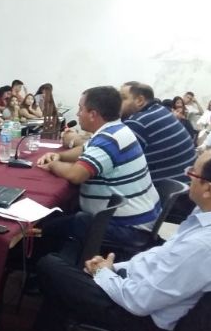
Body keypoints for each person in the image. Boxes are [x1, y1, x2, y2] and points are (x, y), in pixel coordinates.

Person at [25, 145, 211, 331]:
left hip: (143, 319)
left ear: (209, 189)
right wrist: (116, 268)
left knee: (50, 266)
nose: (187, 175)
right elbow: (159, 257)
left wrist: (103, 274)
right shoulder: (207, 221)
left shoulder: (205, 247)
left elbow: (139, 301)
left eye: (193, 173)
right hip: (142, 291)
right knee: (63, 282)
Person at [36, 86, 160, 260]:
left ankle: (42, 272)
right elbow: (84, 150)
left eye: (81, 109)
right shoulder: (116, 130)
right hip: (139, 218)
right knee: (63, 217)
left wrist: (54, 165)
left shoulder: (109, 140)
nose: (78, 114)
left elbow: (76, 175)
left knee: (46, 227)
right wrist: (59, 155)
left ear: (93, 114)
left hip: (128, 228)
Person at [120, 82, 195, 183]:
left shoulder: (138, 123)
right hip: (186, 183)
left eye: (123, 98)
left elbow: (116, 165)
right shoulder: (161, 110)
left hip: (169, 193)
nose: (117, 102)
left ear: (140, 100)